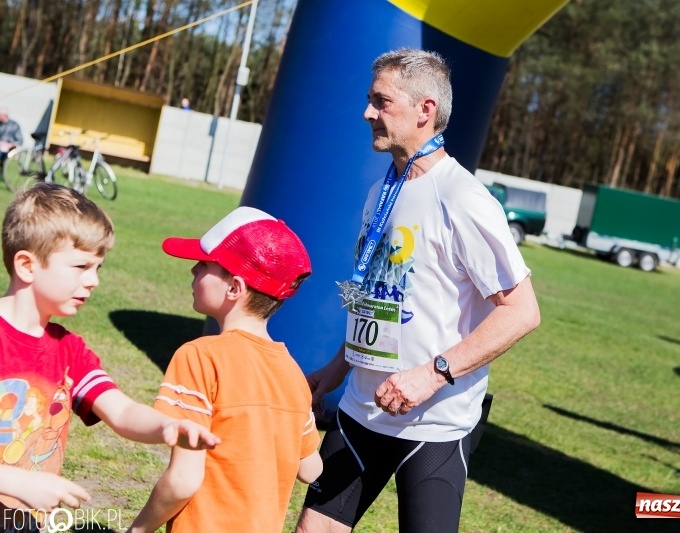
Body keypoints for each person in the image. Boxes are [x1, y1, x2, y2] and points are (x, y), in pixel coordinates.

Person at [296, 48, 541, 533]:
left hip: (435, 424)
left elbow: (522, 311)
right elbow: (384, 298)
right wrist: (334, 368)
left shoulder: (464, 198)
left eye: (381, 102)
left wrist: (432, 374)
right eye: (370, 100)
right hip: (361, 410)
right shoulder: (381, 192)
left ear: (425, 110)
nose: (367, 113)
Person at [0, 183, 220, 533]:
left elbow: (121, 410)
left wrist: (167, 427)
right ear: (27, 265)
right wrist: (15, 483)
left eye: (98, 268)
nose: (94, 281)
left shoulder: (69, 350)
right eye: (81, 266)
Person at [128, 207, 323, 533]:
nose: (192, 270)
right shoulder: (292, 373)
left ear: (234, 287)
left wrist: (138, 529)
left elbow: (183, 480)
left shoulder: (199, 357)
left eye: (204, 265)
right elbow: (311, 468)